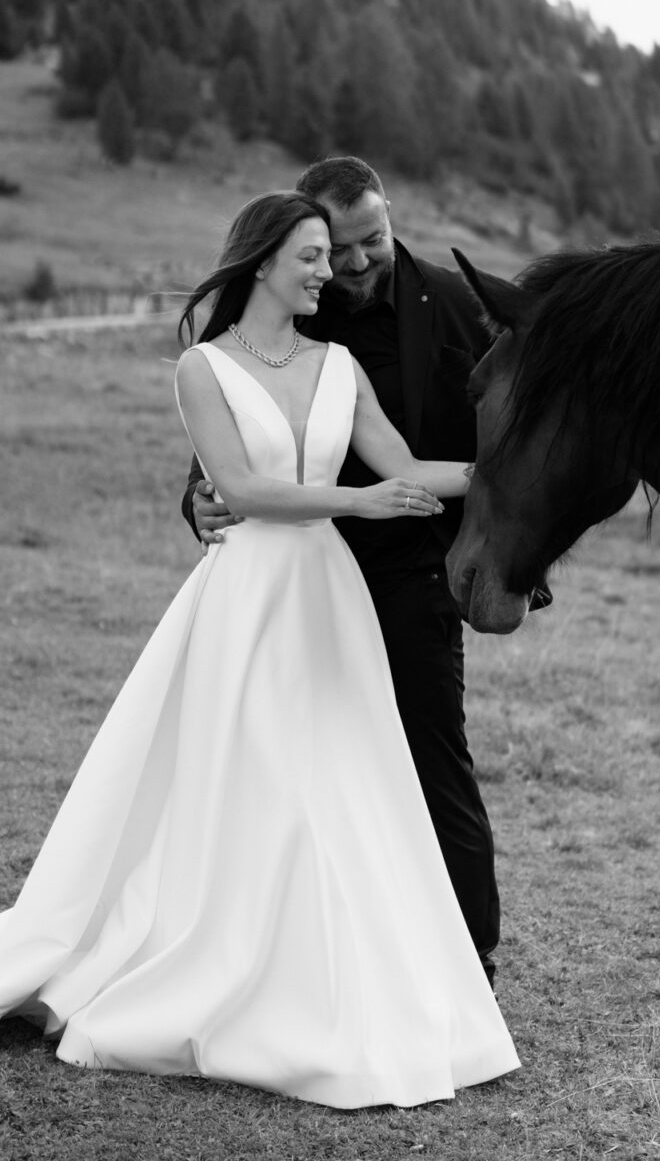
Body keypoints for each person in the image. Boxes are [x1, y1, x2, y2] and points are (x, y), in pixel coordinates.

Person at [0, 190, 519, 1107]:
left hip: (328, 595)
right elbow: (243, 490)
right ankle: (215, 958)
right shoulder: (202, 369)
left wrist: (516, 479)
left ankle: (330, 977)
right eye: (312, 257)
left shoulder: (338, 365)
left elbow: (410, 468)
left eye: (332, 254)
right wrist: (359, 502)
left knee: (341, 780)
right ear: (263, 263)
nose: (329, 272)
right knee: (253, 778)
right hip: (248, 595)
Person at [185, 156, 511, 987]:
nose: (352, 264)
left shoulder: (461, 306)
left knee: (429, 754)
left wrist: (514, 488)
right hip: (282, 578)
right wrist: (200, 494)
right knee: (282, 765)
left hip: (410, 572)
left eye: (373, 240)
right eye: (334, 250)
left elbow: (427, 458)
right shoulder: (282, 315)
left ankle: (468, 954)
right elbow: (235, 442)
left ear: (389, 215)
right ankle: (282, 951)